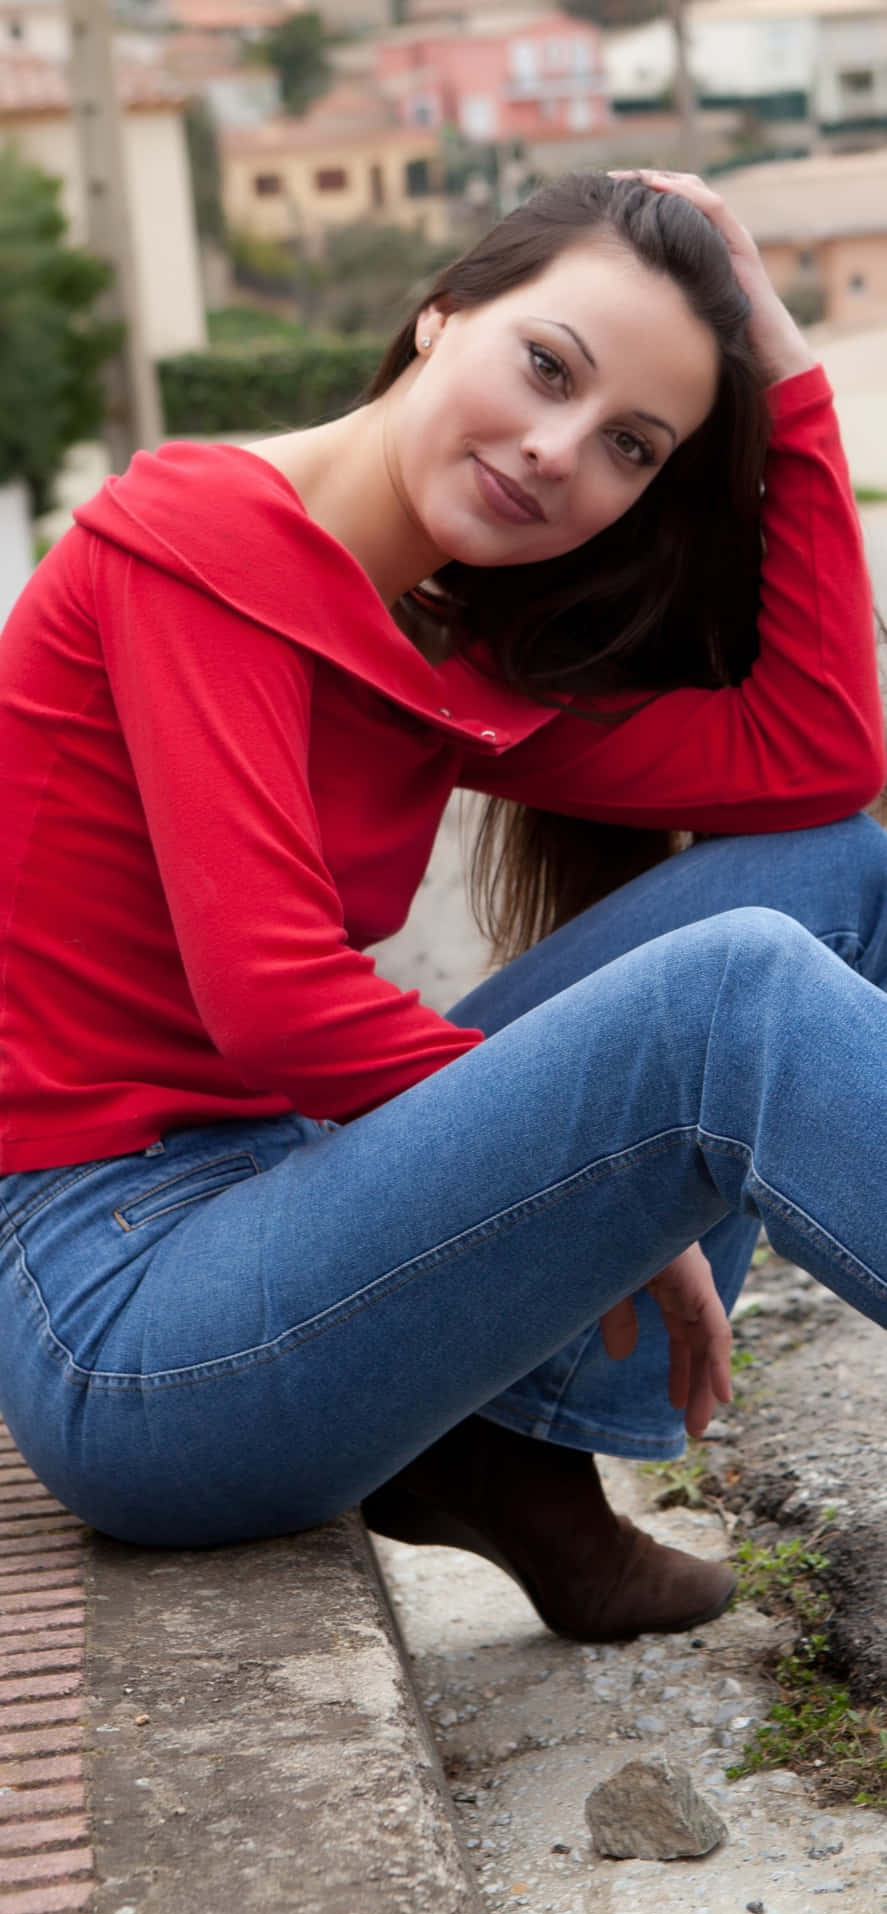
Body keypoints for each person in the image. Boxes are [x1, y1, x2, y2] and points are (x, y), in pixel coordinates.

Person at [1, 169, 886, 1647]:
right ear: (442, 310)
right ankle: (511, 1436)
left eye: (628, 445)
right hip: (122, 1312)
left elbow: (819, 763)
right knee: (736, 995)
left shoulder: (438, 665)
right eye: (546, 366)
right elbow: (274, 997)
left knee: (827, 877)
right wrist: (646, 1215)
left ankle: (517, 1449)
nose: (554, 453)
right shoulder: (198, 537)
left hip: (284, 1205)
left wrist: (790, 381)